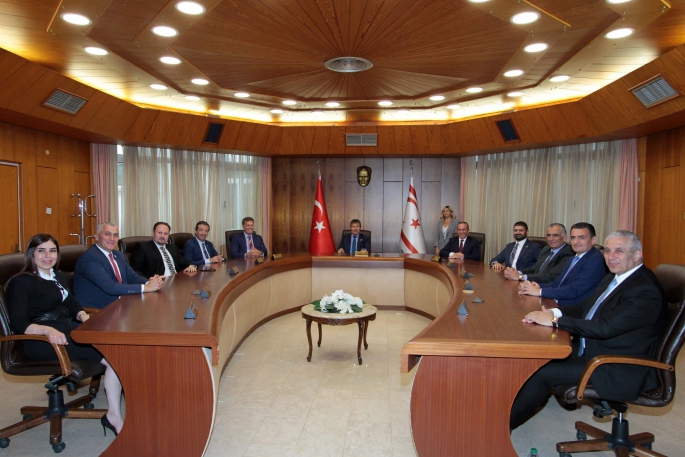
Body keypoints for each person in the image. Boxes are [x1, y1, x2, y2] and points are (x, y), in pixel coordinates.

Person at [510, 230, 668, 429]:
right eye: (607, 250)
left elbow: (605, 328)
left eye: (619, 251)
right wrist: (552, 312)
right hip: (596, 348)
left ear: (637, 255)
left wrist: (556, 322)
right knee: (536, 357)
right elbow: (585, 307)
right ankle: (499, 412)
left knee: (541, 372)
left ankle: (499, 429)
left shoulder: (644, 290)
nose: (611, 257)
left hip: (616, 364)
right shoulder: (615, 277)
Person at [6, 234, 129, 435]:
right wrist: (47, 330)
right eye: (41, 251)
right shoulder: (21, 282)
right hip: (41, 340)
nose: (48, 256)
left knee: (115, 349)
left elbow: (71, 304)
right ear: (31, 254)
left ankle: (114, 413)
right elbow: (18, 323)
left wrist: (83, 315)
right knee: (113, 357)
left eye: (52, 251)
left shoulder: (56, 276)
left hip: (66, 332)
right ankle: (114, 416)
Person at [74, 222, 163, 309]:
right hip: (98, 310)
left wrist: (150, 282)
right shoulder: (90, 258)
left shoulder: (118, 255)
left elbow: (132, 277)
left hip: (121, 304)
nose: (112, 238)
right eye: (107, 234)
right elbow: (110, 287)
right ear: (97, 237)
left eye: (115, 235)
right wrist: (146, 287)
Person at [519, 222, 606, 306]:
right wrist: (536, 285)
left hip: (570, 309)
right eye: (573, 238)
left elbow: (574, 290)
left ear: (593, 240)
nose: (576, 242)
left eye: (581, 237)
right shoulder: (573, 259)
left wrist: (539, 291)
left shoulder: (595, 260)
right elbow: (557, 283)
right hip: (555, 302)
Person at [503, 223, 574, 283]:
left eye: (555, 235)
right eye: (548, 235)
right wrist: (516, 272)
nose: (551, 239)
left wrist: (520, 277)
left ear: (565, 237)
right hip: (533, 284)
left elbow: (551, 277)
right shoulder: (546, 249)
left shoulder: (568, 253)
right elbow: (534, 269)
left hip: (547, 289)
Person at [130, 222, 197, 278]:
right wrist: (148, 282)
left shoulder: (172, 248)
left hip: (176, 281)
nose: (162, 236)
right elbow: (135, 270)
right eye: (159, 233)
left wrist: (190, 265)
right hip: (159, 283)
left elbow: (184, 261)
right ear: (153, 233)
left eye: (165, 233)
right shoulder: (143, 247)